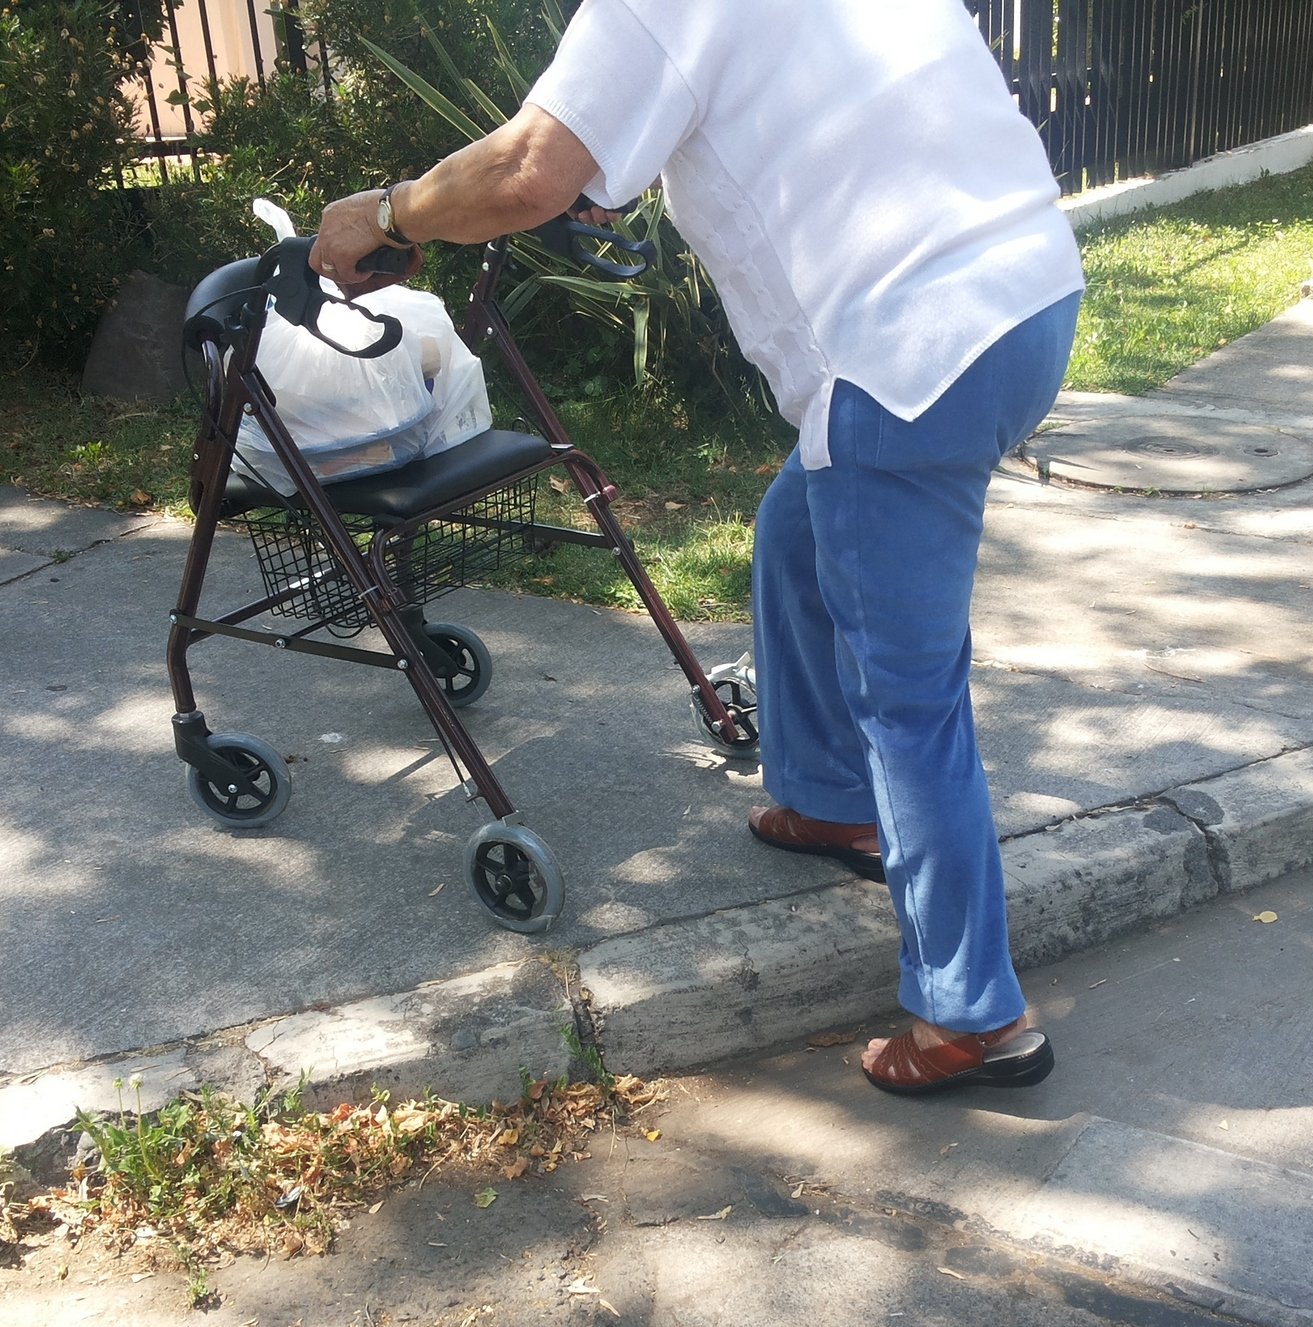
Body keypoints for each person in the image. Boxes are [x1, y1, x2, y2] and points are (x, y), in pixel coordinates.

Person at [312, 0, 1084, 1098]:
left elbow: (533, 169)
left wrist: (386, 212)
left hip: (911, 357)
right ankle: (827, 797)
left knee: (909, 696)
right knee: (796, 523)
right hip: (1024, 301)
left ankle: (974, 1017)